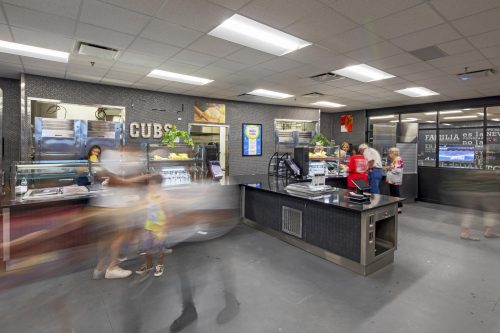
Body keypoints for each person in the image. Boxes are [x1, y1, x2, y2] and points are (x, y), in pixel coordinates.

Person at [135, 174, 170, 277]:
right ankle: (148, 264)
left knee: (159, 248)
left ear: (159, 185)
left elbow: (167, 210)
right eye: (149, 184)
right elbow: (144, 206)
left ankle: (160, 266)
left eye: (153, 184)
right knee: (148, 248)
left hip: (160, 226)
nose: (150, 186)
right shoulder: (148, 195)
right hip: (149, 225)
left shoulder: (164, 196)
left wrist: (166, 224)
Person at [385, 147, 404, 213]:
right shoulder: (394, 159)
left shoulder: (398, 159)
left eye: (390, 153)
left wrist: (389, 168)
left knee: (396, 193)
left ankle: (398, 207)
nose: (389, 154)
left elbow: (397, 170)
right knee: (393, 193)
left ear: (394, 153)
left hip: (395, 180)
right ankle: (394, 206)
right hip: (392, 180)